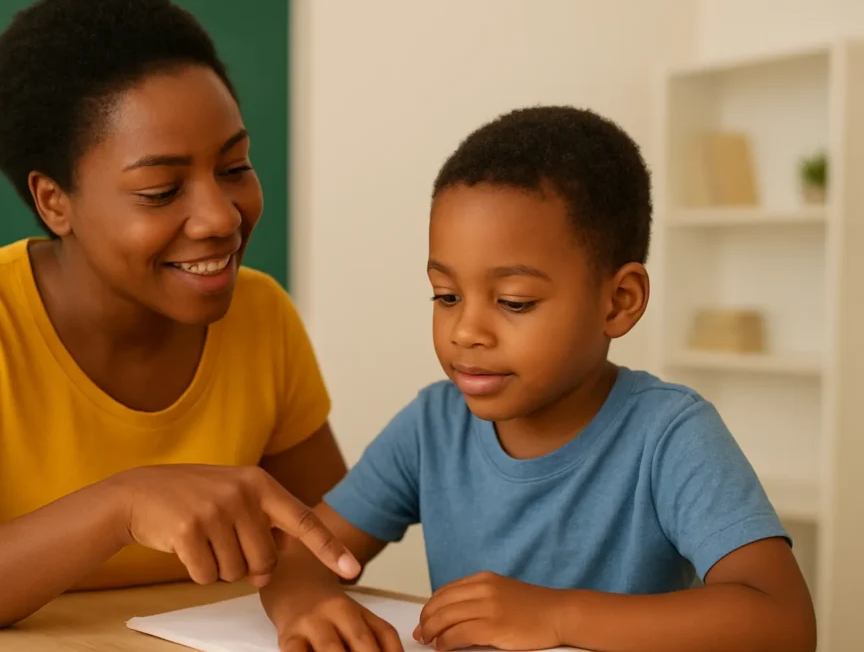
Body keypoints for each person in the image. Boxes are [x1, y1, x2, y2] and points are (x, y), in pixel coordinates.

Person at [0, 0, 360, 647]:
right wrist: (121, 505)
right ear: (55, 202)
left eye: (234, 166)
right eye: (161, 189)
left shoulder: (260, 314)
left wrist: (304, 585)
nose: (220, 216)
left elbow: (335, 532)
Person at [259, 107, 817, 652]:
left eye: (514, 302)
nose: (466, 331)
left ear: (619, 302)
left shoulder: (669, 433)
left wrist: (556, 614)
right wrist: (307, 602)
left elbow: (782, 621)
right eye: (446, 296)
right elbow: (302, 557)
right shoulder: (433, 425)